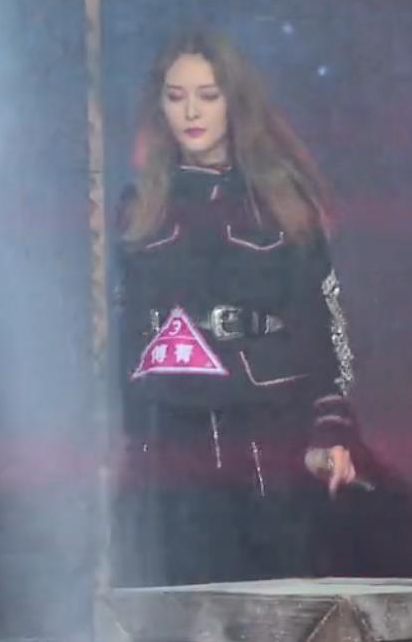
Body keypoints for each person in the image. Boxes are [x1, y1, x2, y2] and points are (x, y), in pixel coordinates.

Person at [112, 30, 359, 587]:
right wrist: (130, 443)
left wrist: (331, 429)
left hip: (264, 430)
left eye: (208, 95)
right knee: (176, 599)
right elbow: (126, 338)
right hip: (169, 437)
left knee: (271, 594)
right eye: (176, 97)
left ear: (234, 101)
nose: (191, 112)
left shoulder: (281, 200)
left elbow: (324, 322)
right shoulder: (141, 209)